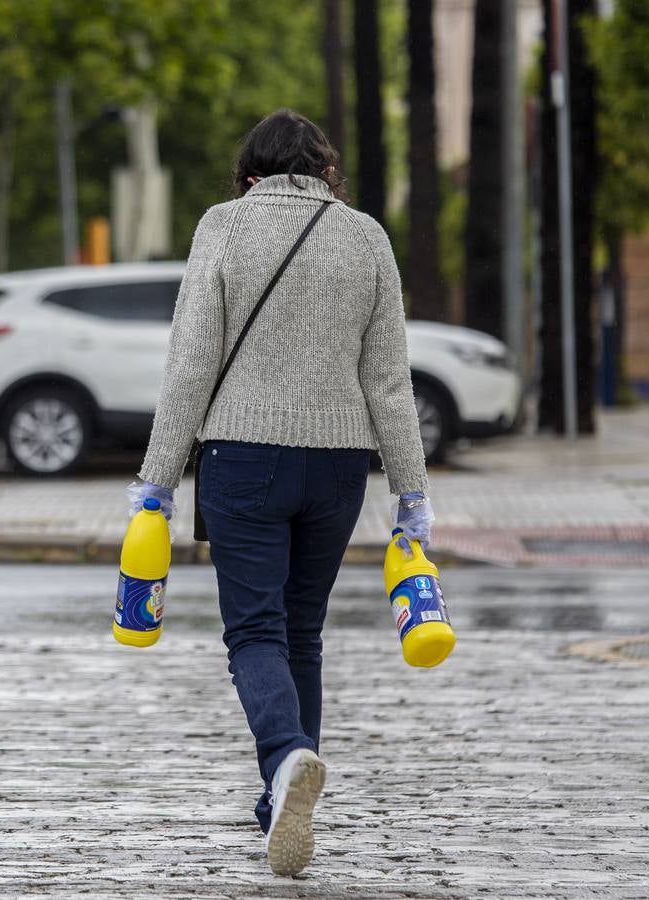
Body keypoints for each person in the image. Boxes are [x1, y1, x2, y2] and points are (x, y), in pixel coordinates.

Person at [129, 109, 434, 877]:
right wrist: (412, 491)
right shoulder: (366, 237)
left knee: (255, 632)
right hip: (339, 468)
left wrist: (157, 480)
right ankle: (279, 804)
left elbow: (191, 362)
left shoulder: (223, 226)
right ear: (327, 171)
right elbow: (389, 382)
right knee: (304, 632)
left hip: (243, 459)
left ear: (250, 174)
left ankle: (287, 754)